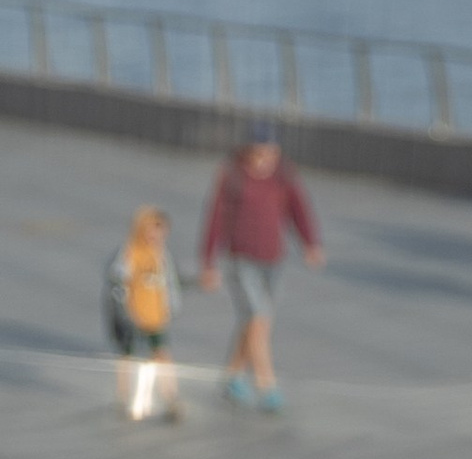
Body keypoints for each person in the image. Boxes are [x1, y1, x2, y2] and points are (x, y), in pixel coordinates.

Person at [199, 136, 322, 413]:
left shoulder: (284, 175)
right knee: (257, 317)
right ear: (247, 153)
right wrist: (208, 262)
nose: (265, 160)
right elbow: (215, 218)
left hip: (272, 259)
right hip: (240, 259)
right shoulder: (231, 175)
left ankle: (232, 378)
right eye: (259, 154)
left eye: (270, 154)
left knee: (256, 321)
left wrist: (310, 243)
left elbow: (298, 209)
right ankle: (267, 385)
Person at [105, 205, 180, 423]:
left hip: (156, 317)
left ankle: (170, 397)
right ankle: (124, 396)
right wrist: (124, 311)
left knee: (162, 354)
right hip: (134, 315)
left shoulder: (161, 255)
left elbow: (170, 284)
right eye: (151, 231)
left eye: (160, 232)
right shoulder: (131, 253)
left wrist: (171, 307)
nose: (155, 237)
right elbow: (118, 282)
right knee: (128, 356)